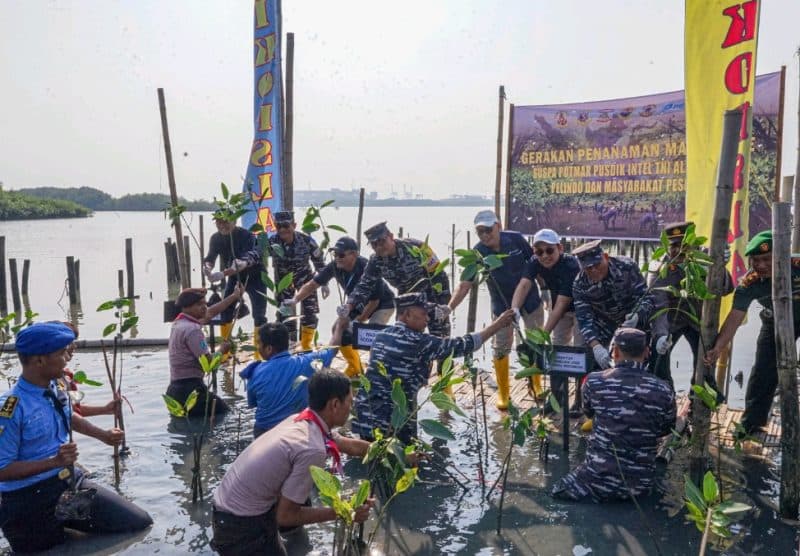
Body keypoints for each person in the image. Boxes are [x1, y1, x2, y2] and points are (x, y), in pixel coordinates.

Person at [0, 322, 152, 553]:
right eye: (61, 353)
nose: (67, 358)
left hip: (68, 484)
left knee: (139, 523)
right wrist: (53, 462)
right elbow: (2, 469)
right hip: (28, 500)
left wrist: (102, 435)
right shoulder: (10, 409)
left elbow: (69, 416)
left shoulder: (55, 386)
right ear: (39, 360)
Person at [211, 369, 374, 556]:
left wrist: (392, 451)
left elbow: (350, 446)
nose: (351, 408)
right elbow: (285, 516)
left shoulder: (303, 420)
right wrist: (345, 510)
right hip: (240, 527)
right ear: (335, 404)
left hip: (224, 511)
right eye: (350, 402)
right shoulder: (313, 448)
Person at [352, 293, 515, 443]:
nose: (428, 319)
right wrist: (498, 324)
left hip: (364, 415)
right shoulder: (418, 341)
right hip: (392, 422)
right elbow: (463, 345)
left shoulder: (381, 336)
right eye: (423, 314)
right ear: (407, 314)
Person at [551, 328, 676, 502]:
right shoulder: (663, 390)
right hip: (640, 484)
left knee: (557, 490)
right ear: (647, 352)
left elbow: (588, 413)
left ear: (614, 351)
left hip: (595, 480)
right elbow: (666, 428)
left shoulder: (594, 381)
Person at [704, 230, 800, 436]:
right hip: (776, 320)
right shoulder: (750, 283)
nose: (761, 266)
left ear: (781, 255)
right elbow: (734, 319)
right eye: (756, 260)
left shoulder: (797, 266)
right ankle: (751, 423)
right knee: (763, 370)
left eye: (767, 259)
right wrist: (718, 348)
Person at [448, 210, 542, 409]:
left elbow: (536, 265)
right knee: (500, 347)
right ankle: (504, 393)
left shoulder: (516, 240)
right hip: (501, 305)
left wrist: (548, 290)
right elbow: (464, 284)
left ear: (498, 226)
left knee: (534, 341)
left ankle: (536, 385)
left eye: (488, 230)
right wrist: (449, 308)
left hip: (530, 300)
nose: (485, 235)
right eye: (480, 231)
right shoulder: (477, 252)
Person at [282, 236, 395, 376]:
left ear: (354, 254)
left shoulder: (367, 267)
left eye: (341, 254)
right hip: (356, 304)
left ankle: (377, 372)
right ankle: (355, 368)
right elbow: (312, 285)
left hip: (382, 304)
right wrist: (295, 300)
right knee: (337, 328)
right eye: (335, 254)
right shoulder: (335, 266)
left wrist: (357, 321)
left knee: (370, 336)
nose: (337, 258)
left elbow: (374, 302)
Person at [648, 221, 732, 392]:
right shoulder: (659, 268)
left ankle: (698, 401)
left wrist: (719, 268)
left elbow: (726, 289)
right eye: (673, 246)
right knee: (658, 360)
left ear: (694, 245)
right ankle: (665, 397)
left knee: (706, 362)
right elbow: (659, 306)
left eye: (684, 245)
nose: (678, 250)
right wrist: (661, 336)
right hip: (672, 321)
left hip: (700, 321)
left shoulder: (707, 259)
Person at [339, 221, 452, 339]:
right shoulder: (375, 261)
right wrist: (349, 306)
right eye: (374, 245)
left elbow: (440, 276)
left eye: (382, 242)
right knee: (403, 341)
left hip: (432, 298)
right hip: (406, 302)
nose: (379, 247)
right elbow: (363, 287)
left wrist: (444, 305)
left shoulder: (417, 247)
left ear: (391, 237)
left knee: (441, 339)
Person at [510, 228, 583, 408]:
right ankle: (557, 398)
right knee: (556, 350)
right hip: (561, 307)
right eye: (539, 251)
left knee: (581, 352)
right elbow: (524, 284)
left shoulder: (571, 265)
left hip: (582, 308)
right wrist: (514, 310)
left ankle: (581, 402)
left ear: (560, 248)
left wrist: (542, 337)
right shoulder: (535, 262)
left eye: (549, 250)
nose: (544, 256)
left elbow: (561, 305)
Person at [239, 322, 340, 438]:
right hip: (296, 431)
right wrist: (339, 327)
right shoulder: (306, 363)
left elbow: (253, 403)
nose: (257, 348)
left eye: (259, 344)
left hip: (264, 433)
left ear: (269, 349)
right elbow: (332, 350)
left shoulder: (255, 372)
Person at [166, 286, 243, 417]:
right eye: (199, 304)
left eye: (204, 304)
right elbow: (208, 363)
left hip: (174, 390)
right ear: (187, 307)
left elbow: (210, 313)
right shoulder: (193, 330)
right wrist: (222, 350)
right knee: (227, 415)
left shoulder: (179, 323)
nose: (204, 307)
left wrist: (234, 297)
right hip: (191, 390)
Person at [203, 212, 268, 355]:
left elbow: (254, 255)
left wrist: (223, 273)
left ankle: (259, 352)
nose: (222, 226)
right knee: (226, 310)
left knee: (259, 314)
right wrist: (208, 267)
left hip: (255, 276)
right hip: (234, 277)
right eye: (218, 222)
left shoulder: (247, 235)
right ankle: (226, 352)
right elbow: (210, 257)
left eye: (225, 222)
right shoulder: (216, 238)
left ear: (234, 221)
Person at [268, 210, 327, 350]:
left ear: (294, 225)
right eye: (279, 226)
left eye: (286, 226)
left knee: (309, 313)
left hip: (306, 282)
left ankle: (306, 346)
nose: (282, 230)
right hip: (283, 283)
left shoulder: (306, 241)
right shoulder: (271, 242)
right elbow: (258, 257)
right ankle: (288, 345)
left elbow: (319, 263)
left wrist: (324, 283)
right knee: (285, 317)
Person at [59, 321, 120, 418]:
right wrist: (104, 434)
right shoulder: (54, 380)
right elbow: (69, 416)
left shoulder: (65, 376)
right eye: (70, 343)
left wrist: (105, 409)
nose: (74, 346)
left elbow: (71, 409)